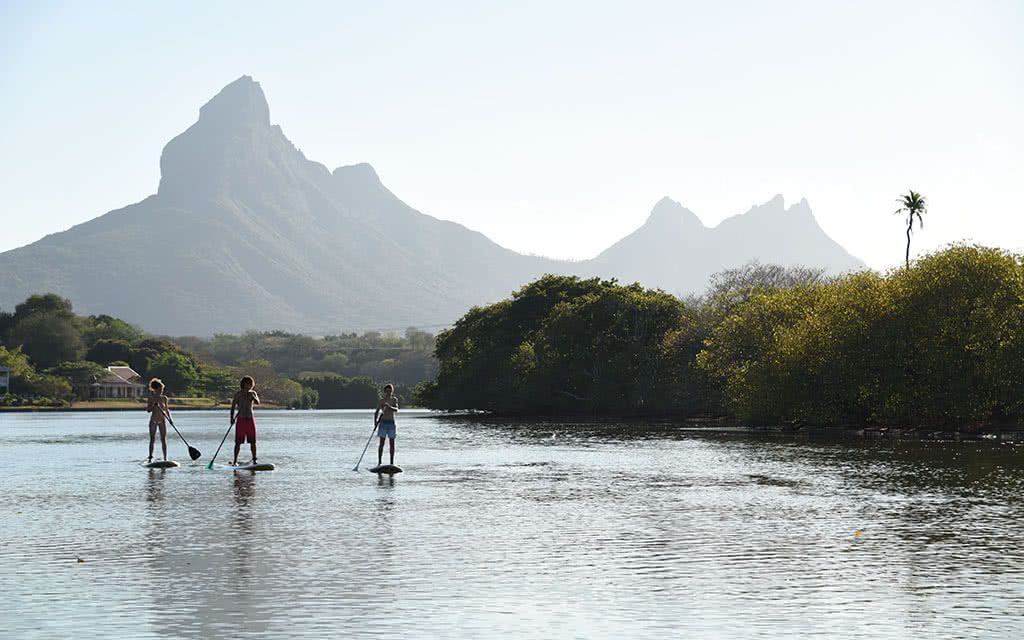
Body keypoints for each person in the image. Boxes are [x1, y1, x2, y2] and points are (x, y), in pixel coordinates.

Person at [230, 375, 260, 466]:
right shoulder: (238, 394)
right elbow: (232, 407)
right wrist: (231, 418)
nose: (250, 385)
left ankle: (254, 460)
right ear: (244, 384)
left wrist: (253, 397)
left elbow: (258, 402)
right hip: (241, 419)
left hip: (250, 419)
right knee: (238, 442)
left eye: (251, 384)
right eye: (248, 383)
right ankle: (235, 461)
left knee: (253, 441)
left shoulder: (253, 393)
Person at [146, 378, 171, 462]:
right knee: (152, 439)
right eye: (160, 390)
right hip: (153, 420)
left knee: (163, 439)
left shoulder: (164, 398)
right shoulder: (151, 398)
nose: (161, 391)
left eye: (162, 390)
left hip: (162, 420)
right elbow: (148, 410)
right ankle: (150, 457)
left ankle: (165, 458)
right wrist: (153, 405)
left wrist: (170, 419)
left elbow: (167, 410)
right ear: (155, 389)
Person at [374, 384, 398, 466]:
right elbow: (376, 412)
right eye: (387, 391)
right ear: (385, 392)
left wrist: (390, 407)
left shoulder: (394, 400)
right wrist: (375, 423)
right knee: (382, 443)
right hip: (383, 423)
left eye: (390, 391)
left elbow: (396, 409)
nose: (388, 393)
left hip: (391, 423)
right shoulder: (381, 401)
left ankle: (392, 462)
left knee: (392, 443)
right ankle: (379, 462)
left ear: (392, 391)